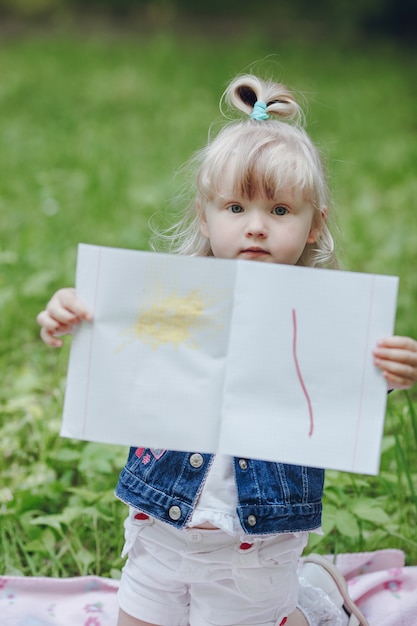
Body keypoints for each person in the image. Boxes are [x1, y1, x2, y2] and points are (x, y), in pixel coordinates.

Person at [37, 74, 417, 626]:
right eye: (236, 209)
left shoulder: (325, 318)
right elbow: (111, 324)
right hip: (160, 525)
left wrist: (390, 369)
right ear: (204, 215)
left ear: (315, 226)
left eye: (280, 211)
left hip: (255, 545)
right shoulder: (168, 299)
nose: (256, 227)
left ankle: (318, 602)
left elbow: (342, 382)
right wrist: (71, 312)